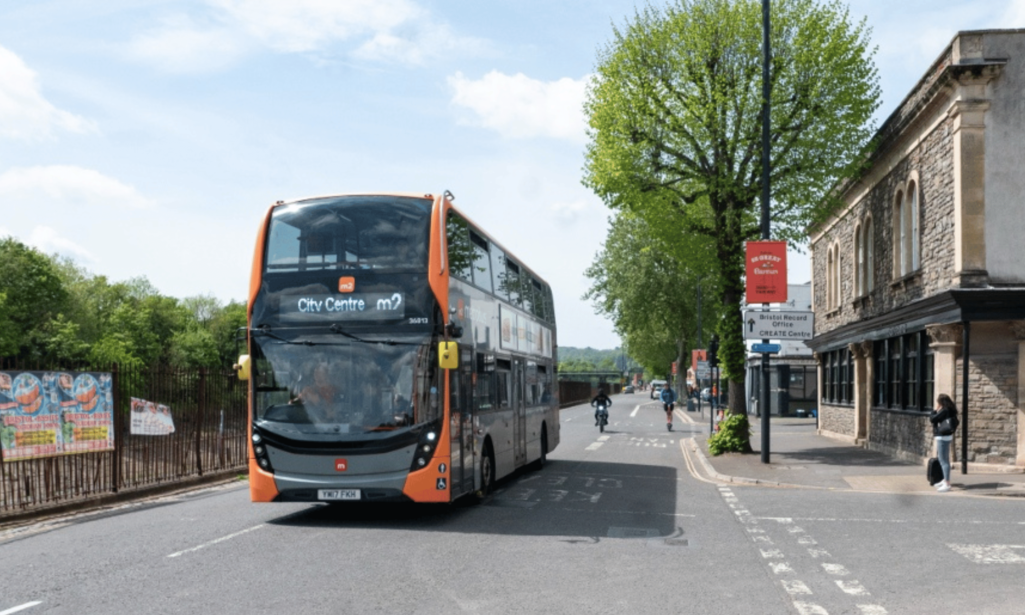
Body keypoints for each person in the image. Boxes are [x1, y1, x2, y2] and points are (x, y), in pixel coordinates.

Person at [929, 393, 959, 492]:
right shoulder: (951, 410)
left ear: (941, 402)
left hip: (942, 437)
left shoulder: (944, 410)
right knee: (945, 460)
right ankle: (944, 480)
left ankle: (947, 483)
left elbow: (933, 419)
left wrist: (935, 410)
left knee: (943, 461)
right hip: (947, 436)